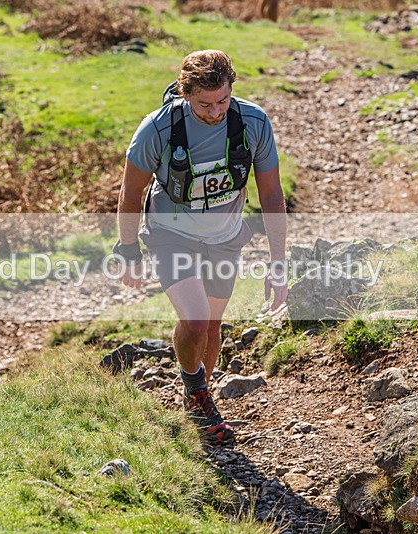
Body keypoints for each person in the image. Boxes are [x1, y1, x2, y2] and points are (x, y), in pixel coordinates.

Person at [114, 50, 288, 445]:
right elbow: (130, 190)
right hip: (170, 232)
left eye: (223, 101)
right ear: (185, 93)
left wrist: (278, 262)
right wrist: (127, 249)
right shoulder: (157, 128)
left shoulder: (253, 122)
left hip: (225, 237)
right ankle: (198, 398)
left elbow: (272, 194)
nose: (215, 111)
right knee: (193, 320)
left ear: (232, 90)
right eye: (204, 104)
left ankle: (198, 403)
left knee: (210, 326)